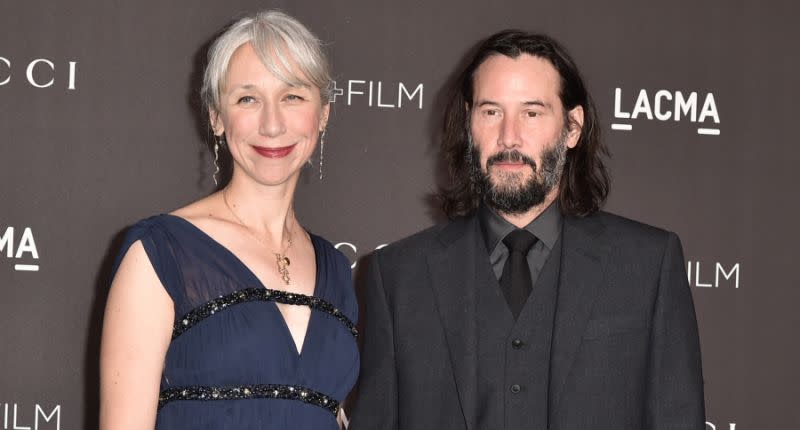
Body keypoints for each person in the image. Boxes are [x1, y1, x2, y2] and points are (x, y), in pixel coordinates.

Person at [350, 30, 704, 430]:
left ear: (572, 127)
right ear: (469, 124)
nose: (509, 137)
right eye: (491, 111)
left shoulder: (648, 266)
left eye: (531, 113)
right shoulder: (397, 275)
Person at [99, 11, 358, 430]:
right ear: (217, 117)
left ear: (323, 114)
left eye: (292, 96)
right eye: (247, 99)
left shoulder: (336, 270)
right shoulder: (162, 252)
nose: (272, 124)